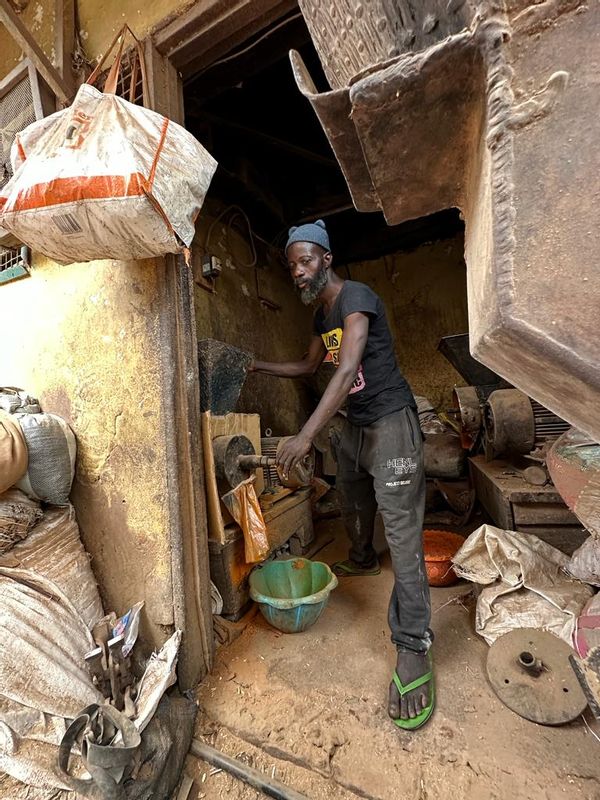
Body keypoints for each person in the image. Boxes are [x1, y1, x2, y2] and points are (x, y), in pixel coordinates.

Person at [250, 219, 434, 729]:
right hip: (353, 424)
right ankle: (360, 559)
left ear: (326, 259)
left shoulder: (357, 296)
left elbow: (349, 362)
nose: (298, 271)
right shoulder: (318, 318)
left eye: (305, 261)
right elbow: (312, 368)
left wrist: (306, 435)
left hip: (390, 419)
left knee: (401, 531)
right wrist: (257, 367)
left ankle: (413, 644)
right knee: (354, 500)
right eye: (292, 264)